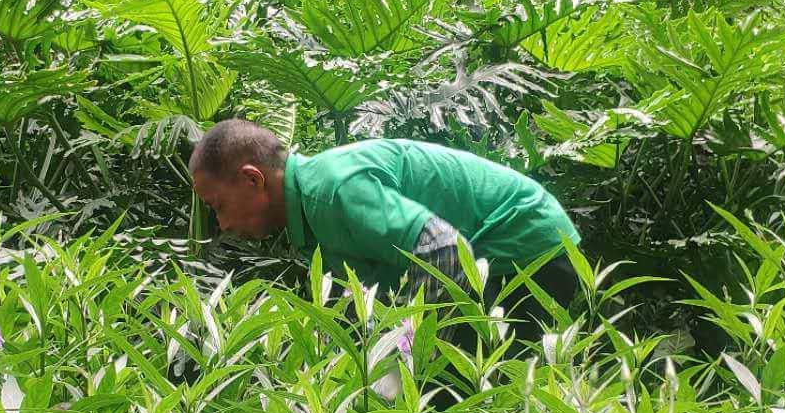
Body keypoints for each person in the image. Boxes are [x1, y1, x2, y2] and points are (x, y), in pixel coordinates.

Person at [188, 119, 583, 347]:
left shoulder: (334, 191)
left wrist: (405, 350)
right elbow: (355, 316)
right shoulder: (310, 214)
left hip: (523, 247)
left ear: (253, 180)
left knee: (480, 401)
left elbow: (444, 251)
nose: (221, 225)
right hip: (495, 254)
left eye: (217, 206)